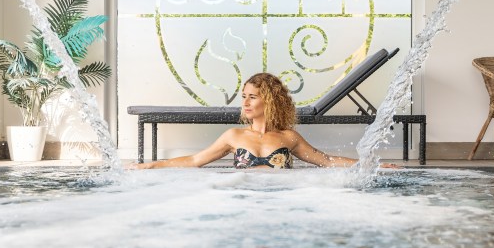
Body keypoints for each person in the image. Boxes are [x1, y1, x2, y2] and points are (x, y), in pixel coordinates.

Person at [130, 72, 358, 169]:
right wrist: (151, 164)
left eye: (252, 97)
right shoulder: (234, 136)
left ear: (269, 101)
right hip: (243, 199)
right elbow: (194, 160)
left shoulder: (289, 137)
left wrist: (366, 164)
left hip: (282, 201)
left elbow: (327, 161)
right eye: (244, 98)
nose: (246, 103)